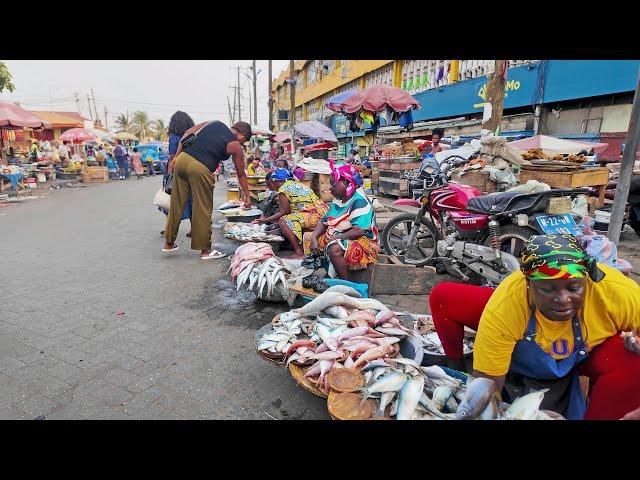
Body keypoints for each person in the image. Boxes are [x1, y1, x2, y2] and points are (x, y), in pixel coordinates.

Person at [428, 234, 640, 420]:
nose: (563, 299)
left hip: (588, 355)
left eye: (574, 288)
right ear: (528, 284)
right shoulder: (507, 305)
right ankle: (455, 370)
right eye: (548, 289)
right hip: (520, 349)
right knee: (444, 296)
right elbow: (488, 386)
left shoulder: (616, 292)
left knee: (633, 360)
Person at [163, 120, 252, 260]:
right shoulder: (235, 145)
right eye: (244, 140)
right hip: (200, 168)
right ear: (243, 134)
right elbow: (241, 173)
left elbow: (187, 133)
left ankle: (168, 244)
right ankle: (205, 251)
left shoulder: (213, 123)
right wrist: (247, 196)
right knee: (202, 208)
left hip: (182, 160)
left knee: (176, 204)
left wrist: (176, 157)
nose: (242, 144)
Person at [308, 161, 379, 279]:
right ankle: (331, 270)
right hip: (342, 236)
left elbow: (359, 231)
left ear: (345, 182)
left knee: (334, 248)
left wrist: (334, 238)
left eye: (333, 184)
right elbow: (324, 221)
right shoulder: (339, 199)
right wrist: (314, 237)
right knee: (309, 239)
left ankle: (344, 281)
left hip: (364, 244)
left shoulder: (359, 201)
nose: (331, 188)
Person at [253, 168, 328, 259]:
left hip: (313, 216)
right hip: (323, 214)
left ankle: (299, 252)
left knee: (283, 221)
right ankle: (304, 248)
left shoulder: (283, 189)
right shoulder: (299, 184)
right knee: (290, 219)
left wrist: (264, 220)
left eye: (274, 181)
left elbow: (284, 212)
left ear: (277, 181)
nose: (273, 184)